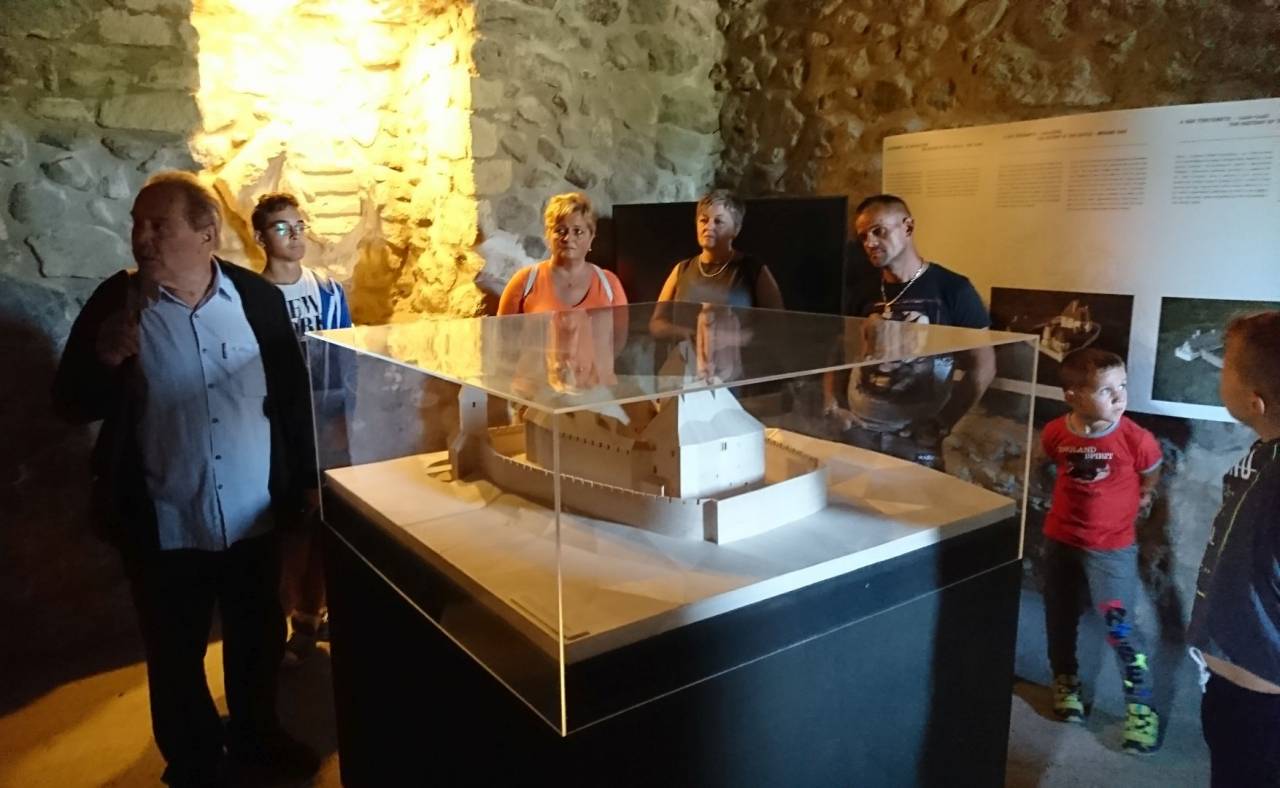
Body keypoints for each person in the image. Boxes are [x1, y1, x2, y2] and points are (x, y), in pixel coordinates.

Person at [52, 172, 320, 788]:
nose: (141, 237)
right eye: (136, 224)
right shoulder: (117, 303)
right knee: (174, 651)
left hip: (252, 513)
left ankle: (258, 738)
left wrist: (307, 480)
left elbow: (292, 396)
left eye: (158, 224)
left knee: (258, 636)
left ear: (207, 233)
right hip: (165, 516)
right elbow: (70, 403)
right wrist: (104, 357)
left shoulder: (257, 299)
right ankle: (194, 760)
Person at [1039, 348, 1163, 754]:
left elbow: (1151, 468)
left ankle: (1141, 705)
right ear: (1072, 395)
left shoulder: (1134, 438)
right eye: (1106, 390)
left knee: (1119, 626)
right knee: (1060, 616)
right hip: (1061, 540)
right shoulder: (1055, 433)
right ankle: (1065, 680)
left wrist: (1146, 493)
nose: (1120, 397)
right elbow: (1048, 461)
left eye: (1122, 386)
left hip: (1111, 549)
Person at [822, 194, 995, 470]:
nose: (870, 243)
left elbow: (983, 366)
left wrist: (941, 423)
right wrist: (832, 404)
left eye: (879, 231)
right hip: (858, 431)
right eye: (863, 236)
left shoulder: (953, 289)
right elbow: (840, 351)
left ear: (908, 227)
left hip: (915, 440)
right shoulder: (862, 291)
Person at [252, 192, 352, 667]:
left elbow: (347, 353)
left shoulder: (328, 290)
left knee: (326, 523)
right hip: (281, 429)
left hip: (327, 420)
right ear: (261, 238)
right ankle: (283, 622)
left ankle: (313, 614)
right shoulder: (253, 297)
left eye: (299, 225)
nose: (294, 235)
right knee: (289, 527)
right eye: (281, 228)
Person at [1187, 311, 1280, 786]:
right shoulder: (1267, 452)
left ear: (1255, 401)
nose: (1219, 370)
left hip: (1260, 708)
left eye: (1226, 365)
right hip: (1238, 690)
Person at [498, 192, 628, 391]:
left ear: (591, 236)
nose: (568, 238)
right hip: (536, 394)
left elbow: (619, 339)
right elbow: (504, 337)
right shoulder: (524, 281)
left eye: (578, 231)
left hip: (596, 392)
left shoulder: (610, 283)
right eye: (560, 230)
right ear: (548, 235)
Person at [648, 189, 783, 342]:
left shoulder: (753, 270)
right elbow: (656, 323)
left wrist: (731, 338)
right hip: (685, 355)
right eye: (704, 220)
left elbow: (777, 324)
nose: (708, 227)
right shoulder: (681, 269)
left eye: (718, 221)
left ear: (736, 229)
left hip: (735, 356)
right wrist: (688, 334)